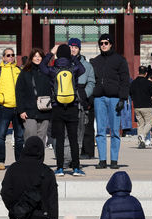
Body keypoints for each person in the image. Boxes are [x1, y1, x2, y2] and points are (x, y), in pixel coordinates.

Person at [39, 44, 85, 176]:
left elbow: (42, 66)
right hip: (72, 107)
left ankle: (59, 168)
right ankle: (76, 168)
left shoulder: (53, 69)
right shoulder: (74, 68)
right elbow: (82, 69)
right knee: (73, 139)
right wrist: (73, 57)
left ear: (58, 55)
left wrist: (50, 53)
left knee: (59, 139)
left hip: (57, 107)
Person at [90, 34, 130, 169]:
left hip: (114, 98)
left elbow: (125, 80)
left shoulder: (120, 60)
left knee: (114, 130)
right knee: (100, 130)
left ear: (111, 44)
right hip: (99, 98)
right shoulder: (95, 61)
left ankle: (114, 160)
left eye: (106, 43)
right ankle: (102, 160)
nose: (103, 45)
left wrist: (123, 98)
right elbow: (92, 80)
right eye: (101, 43)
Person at [0, 48, 23, 171]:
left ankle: (20, 161)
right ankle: (1, 160)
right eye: (8, 55)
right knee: (1, 135)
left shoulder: (18, 70)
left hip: (18, 107)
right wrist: (1, 98)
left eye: (13, 55)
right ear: (3, 57)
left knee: (19, 137)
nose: (11, 57)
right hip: (4, 107)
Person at [15, 49, 51, 143]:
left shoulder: (47, 71)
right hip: (29, 109)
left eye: (40, 56)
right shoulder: (25, 72)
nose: (37, 58)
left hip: (45, 109)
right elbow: (19, 91)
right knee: (31, 136)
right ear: (31, 58)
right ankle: (30, 157)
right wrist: (21, 110)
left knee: (41, 137)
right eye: (35, 56)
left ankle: (40, 157)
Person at [68, 38, 96, 159]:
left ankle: (86, 151)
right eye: (71, 47)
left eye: (75, 47)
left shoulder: (87, 65)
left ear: (79, 49)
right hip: (67, 98)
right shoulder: (63, 63)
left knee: (85, 126)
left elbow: (91, 82)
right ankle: (69, 152)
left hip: (82, 97)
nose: (73, 49)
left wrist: (84, 94)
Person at [130, 66, 152, 149]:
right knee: (149, 122)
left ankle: (141, 142)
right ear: (146, 74)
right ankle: (142, 136)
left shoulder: (133, 83)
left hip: (137, 106)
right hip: (146, 105)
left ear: (138, 72)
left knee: (140, 124)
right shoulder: (149, 83)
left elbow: (130, 93)